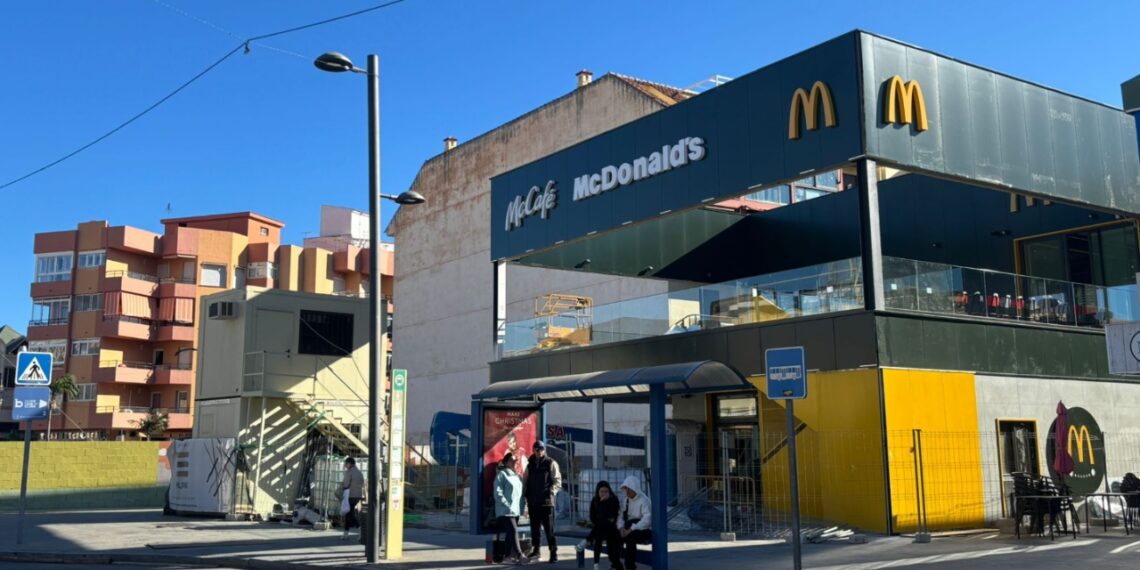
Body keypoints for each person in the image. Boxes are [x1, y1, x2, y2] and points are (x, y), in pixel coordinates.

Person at [524, 440, 562, 562]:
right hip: (533, 501)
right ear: (533, 450)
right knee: (534, 528)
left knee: (549, 528)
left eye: (541, 449)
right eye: (536, 449)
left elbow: (557, 480)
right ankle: (536, 550)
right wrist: (525, 496)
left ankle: (553, 552)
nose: (538, 451)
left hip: (546, 501)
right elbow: (525, 481)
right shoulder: (530, 464)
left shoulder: (551, 463)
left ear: (544, 450)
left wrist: (551, 491)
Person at [577, 480, 623, 570]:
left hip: (612, 529)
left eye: (606, 491)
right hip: (600, 528)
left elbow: (612, 517)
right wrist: (601, 517)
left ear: (609, 491)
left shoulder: (614, 499)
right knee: (599, 530)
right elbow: (592, 517)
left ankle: (595, 563)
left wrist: (603, 503)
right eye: (601, 491)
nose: (604, 493)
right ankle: (596, 565)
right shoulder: (595, 500)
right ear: (598, 491)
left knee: (600, 530)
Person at [494, 453, 529, 565]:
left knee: (510, 533)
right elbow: (497, 493)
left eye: (516, 460)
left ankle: (507, 556)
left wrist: (523, 507)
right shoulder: (502, 475)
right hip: (505, 511)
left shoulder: (518, 476)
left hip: (516, 510)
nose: (515, 462)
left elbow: (521, 494)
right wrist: (506, 504)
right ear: (506, 462)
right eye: (512, 460)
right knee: (513, 530)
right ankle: (520, 554)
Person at [618, 476, 651, 570]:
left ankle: (630, 566)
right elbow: (620, 516)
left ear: (635, 488)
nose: (627, 492)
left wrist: (630, 529)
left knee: (630, 537)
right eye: (626, 489)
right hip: (628, 528)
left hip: (643, 530)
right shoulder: (626, 500)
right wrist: (621, 528)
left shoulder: (644, 500)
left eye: (629, 489)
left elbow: (647, 520)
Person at [340, 457, 364, 539]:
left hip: (350, 495)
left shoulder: (349, 472)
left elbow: (346, 485)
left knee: (350, 514)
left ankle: (360, 529)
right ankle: (345, 533)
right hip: (358, 495)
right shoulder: (359, 472)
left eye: (346, 463)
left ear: (350, 464)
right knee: (348, 513)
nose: (345, 465)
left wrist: (341, 487)